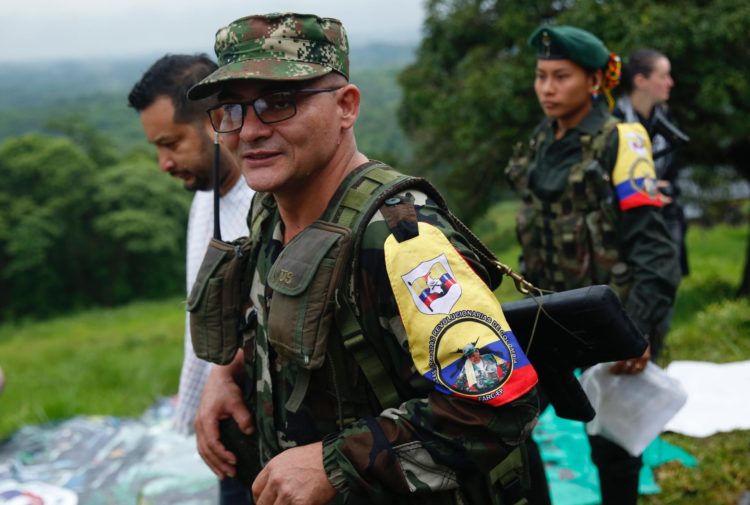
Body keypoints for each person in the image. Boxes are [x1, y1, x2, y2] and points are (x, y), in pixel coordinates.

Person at [189, 12, 540, 505]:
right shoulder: (267, 212)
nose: (248, 131)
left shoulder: (401, 239)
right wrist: (226, 376)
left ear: (346, 107)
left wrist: (336, 464)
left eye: (278, 103)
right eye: (232, 110)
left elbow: (499, 404)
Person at [505, 26, 680, 505]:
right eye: (541, 76)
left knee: (614, 447)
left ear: (595, 81)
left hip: (610, 317)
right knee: (507, 426)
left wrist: (637, 329)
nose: (547, 88)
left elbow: (653, 248)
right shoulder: (540, 143)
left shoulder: (622, 142)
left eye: (561, 76)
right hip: (548, 313)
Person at [127, 54, 254, 504]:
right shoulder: (206, 193)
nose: (163, 163)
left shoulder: (264, 203)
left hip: (264, 439)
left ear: (214, 121)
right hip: (225, 437)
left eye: (171, 144)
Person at [615, 49, 688, 357]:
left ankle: (655, 354)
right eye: (663, 75)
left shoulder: (664, 119)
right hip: (629, 230)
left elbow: (674, 169)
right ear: (641, 80)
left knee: (662, 296)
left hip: (665, 219)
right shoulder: (614, 122)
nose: (670, 83)